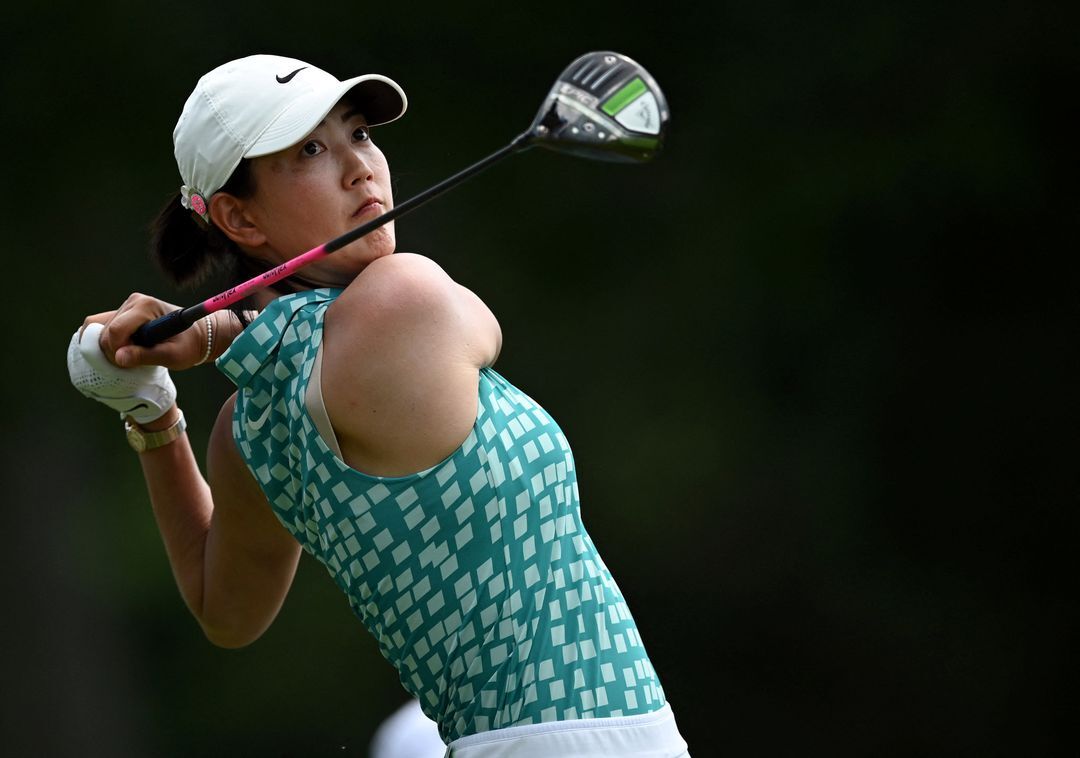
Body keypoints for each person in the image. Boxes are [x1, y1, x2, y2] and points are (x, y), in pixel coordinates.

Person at [69, 54, 689, 756]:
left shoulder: (246, 428)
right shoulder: (403, 299)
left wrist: (153, 416)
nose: (360, 167)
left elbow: (226, 611)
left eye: (358, 133)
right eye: (310, 149)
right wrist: (214, 335)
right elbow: (481, 327)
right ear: (239, 218)